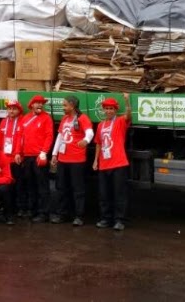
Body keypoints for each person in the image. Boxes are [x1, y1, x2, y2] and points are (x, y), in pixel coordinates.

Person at [51, 96, 94, 226]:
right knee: (61, 187)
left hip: (77, 159)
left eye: (65, 105)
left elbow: (90, 132)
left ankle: (79, 216)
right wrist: (54, 154)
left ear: (72, 106)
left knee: (78, 189)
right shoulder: (64, 119)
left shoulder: (82, 118)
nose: (63, 108)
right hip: (63, 159)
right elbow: (60, 137)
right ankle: (62, 214)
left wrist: (86, 141)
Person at [93, 95, 132, 231]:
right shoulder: (100, 125)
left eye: (111, 108)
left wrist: (127, 100)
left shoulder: (120, 122)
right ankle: (105, 219)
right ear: (103, 110)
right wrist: (95, 161)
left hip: (118, 163)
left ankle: (119, 220)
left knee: (119, 193)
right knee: (104, 194)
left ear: (115, 110)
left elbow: (128, 116)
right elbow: (98, 143)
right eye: (106, 108)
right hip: (104, 163)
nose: (109, 111)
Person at [18, 95, 54, 223]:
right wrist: (18, 153)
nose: (39, 105)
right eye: (37, 103)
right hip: (27, 157)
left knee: (42, 185)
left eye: (41, 103)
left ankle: (44, 213)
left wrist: (44, 152)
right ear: (31, 105)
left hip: (39, 157)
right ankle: (32, 210)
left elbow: (49, 136)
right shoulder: (25, 119)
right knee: (30, 184)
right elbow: (20, 137)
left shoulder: (46, 118)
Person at [0, 100, 24, 216]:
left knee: (18, 184)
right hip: (4, 160)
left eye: (14, 108)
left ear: (19, 110)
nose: (11, 111)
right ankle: (5, 206)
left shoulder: (22, 121)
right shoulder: (3, 121)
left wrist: (18, 153)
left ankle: (20, 208)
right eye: (9, 108)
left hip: (15, 159)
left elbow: (21, 139)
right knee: (4, 186)